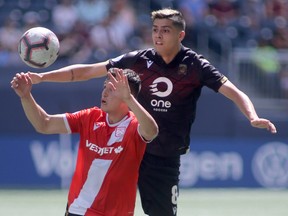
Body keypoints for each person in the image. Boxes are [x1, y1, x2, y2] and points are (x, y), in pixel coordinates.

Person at [27, 8, 277, 216]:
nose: (158, 35)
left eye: (165, 30)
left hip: (163, 156)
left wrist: (252, 116)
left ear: (181, 35)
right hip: (128, 146)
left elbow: (234, 91)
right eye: (155, 30)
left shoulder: (196, 65)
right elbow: (84, 71)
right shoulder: (139, 59)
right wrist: (41, 77)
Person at [11, 68, 158, 216]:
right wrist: (25, 96)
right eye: (104, 87)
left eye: (112, 90)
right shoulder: (90, 117)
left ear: (127, 95)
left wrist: (129, 100)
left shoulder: (135, 125)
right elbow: (44, 124)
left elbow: (152, 131)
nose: (104, 93)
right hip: (78, 210)